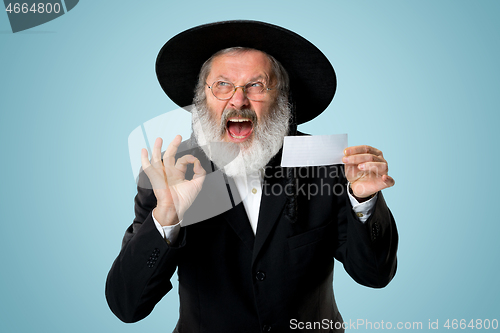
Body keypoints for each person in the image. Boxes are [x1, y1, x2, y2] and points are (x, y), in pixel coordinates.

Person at [106, 20, 398, 333]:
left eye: (256, 85)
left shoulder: (325, 165)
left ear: (283, 99)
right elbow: (127, 305)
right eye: (222, 85)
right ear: (202, 98)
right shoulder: (170, 175)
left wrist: (364, 202)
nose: (238, 99)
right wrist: (167, 216)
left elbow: (374, 276)